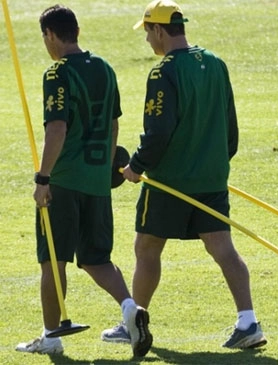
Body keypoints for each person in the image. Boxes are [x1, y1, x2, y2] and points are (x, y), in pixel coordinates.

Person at [100, 0, 267, 350]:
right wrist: (216, 163)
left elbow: (158, 131)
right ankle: (248, 321)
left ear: (159, 30)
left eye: (148, 33)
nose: (147, 41)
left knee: (146, 246)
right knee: (223, 249)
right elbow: (230, 126)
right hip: (211, 178)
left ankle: (133, 322)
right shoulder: (216, 64)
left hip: (170, 182)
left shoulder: (164, 72)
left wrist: (137, 166)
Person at [16, 5, 152, 357]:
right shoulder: (105, 69)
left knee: (53, 260)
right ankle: (129, 309)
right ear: (76, 30)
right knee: (96, 258)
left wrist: (43, 178)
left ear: (50, 34)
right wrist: (105, 168)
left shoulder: (57, 73)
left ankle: (50, 336)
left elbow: (57, 128)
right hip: (96, 182)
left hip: (63, 181)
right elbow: (114, 124)